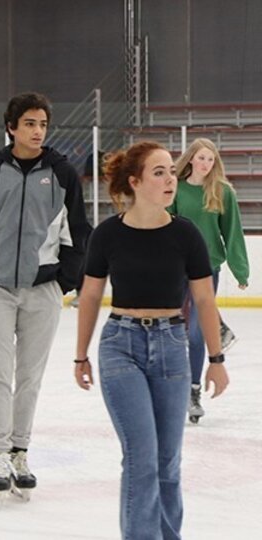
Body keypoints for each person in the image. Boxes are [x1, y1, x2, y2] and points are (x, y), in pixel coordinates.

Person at [75, 141, 230, 540]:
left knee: (167, 461)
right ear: (135, 181)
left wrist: (216, 358)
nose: (169, 180)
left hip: (171, 347)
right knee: (142, 458)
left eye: (170, 172)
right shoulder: (107, 235)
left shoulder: (186, 234)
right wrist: (80, 356)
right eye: (158, 172)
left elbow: (204, 298)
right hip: (120, 346)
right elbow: (90, 295)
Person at [0, 92, 88, 498]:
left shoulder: (62, 174)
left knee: (29, 378)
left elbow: (78, 232)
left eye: (42, 124)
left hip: (42, 291)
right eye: (29, 123)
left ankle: (20, 452)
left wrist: (62, 282)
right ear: (11, 127)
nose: (37, 131)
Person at [168, 138, 249, 423]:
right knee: (174, 330)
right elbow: (164, 226)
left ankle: (193, 392)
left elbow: (233, 232)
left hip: (207, 268)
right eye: (201, 158)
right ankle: (172, 388)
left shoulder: (222, 192)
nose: (205, 164)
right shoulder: (175, 187)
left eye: (210, 160)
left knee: (196, 333)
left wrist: (241, 270)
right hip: (176, 268)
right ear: (191, 159)